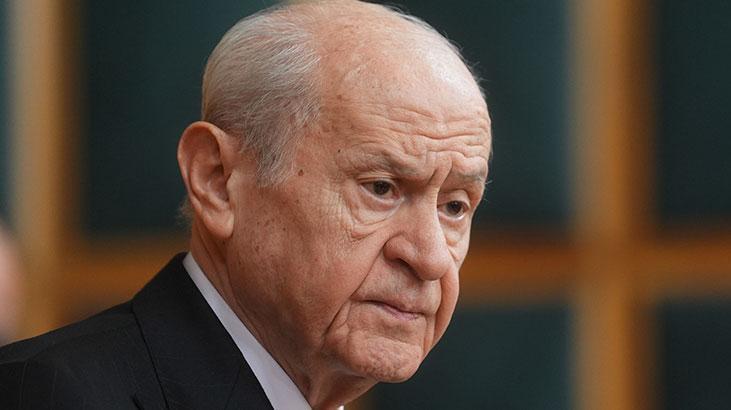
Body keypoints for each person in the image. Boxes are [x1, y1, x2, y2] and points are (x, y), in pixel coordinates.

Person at [0, 0, 491, 408]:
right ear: (217, 181)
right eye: (381, 188)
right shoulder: (49, 394)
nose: (431, 258)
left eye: (454, 207)